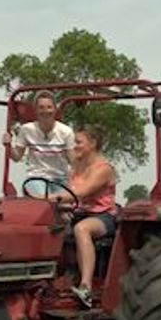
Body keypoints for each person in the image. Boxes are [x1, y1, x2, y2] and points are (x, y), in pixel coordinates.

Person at [49, 126, 116, 308]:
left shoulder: (104, 169)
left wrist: (52, 198)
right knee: (49, 224)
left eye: (78, 142)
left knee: (82, 229)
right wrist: (59, 207)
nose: (75, 146)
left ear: (93, 144)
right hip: (80, 213)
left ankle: (85, 287)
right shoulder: (77, 167)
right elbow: (72, 199)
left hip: (103, 217)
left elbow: (82, 192)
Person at [2, 90, 75, 196]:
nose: (45, 111)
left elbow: (73, 160)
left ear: (55, 109)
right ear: (36, 110)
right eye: (41, 107)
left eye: (49, 107)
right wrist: (8, 145)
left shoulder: (65, 131)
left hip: (60, 179)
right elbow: (17, 157)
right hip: (36, 177)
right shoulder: (27, 129)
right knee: (43, 199)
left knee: (66, 204)